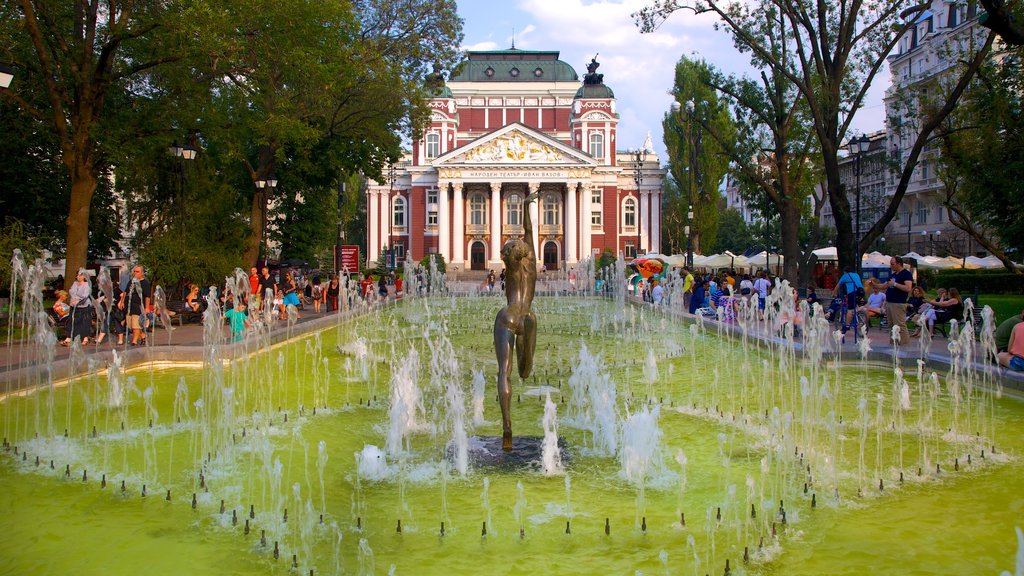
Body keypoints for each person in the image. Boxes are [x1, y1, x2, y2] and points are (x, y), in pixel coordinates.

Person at [494, 190, 540, 451]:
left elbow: (513, 244)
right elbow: (529, 229)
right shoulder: (531, 263)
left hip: (506, 315)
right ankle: (528, 357)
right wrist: (526, 205)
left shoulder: (510, 266)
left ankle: (507, 425)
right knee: (524, 371)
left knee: (504, 372)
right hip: (526, 316)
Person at [880, 256, 914, 346]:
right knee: (891, 326)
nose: (891, 266)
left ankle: (905, 345)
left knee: (900, 325)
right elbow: (884, 286)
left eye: (892, 264)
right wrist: (873, 284)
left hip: (898, 303)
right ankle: (894, 343)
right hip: (890, 302)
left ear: (899, 264)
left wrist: (895, 284)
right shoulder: (893, 275)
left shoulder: (906, 274)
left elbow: (908, 288)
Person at [118, 265, 152, 346]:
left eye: (137, 271)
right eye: (134, 271)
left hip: (138, 307)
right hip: (129, 306)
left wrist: (147, 307)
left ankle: (134, 341)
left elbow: (147, 296)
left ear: (142, 273)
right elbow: (125, 292)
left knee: (135, 325)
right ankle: (143, 336)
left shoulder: (145, 283)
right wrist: (121, 302)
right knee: (131, 325)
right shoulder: (131, 282)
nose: (135, 273)